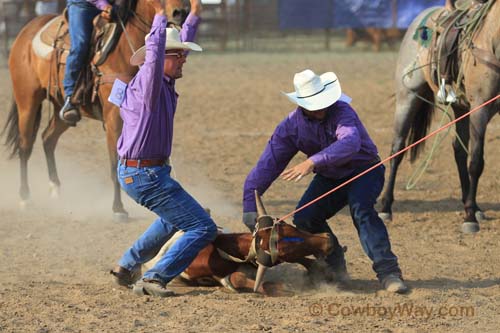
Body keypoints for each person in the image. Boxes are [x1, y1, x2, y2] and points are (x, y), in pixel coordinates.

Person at [242, 69, 408, 294]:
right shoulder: (290, 128)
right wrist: (250, 208)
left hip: (365, 170)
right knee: (305, 217)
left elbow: (350, 142)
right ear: (302, 104)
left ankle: (389, 272)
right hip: (330, 176)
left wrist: (312, 162)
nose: (320, 107)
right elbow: (267, 165)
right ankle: (334, 265)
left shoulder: (342, 111)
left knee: (362, 210)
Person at [110, 0, 217, 298]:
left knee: (176, 218)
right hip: (146, 173)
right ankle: (154, 276)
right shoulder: (149, 82)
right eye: (179, 55)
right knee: (202, 226)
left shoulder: (162, 81)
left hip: (144, 171)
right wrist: (159, 17)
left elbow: (166, 54)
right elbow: (156, 56)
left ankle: (127, 264)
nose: (184, 59)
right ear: (161, 58)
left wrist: (194, 17)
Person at [59, 0, 113, 125]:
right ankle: (70, 96)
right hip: (83, 5)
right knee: (80, 46)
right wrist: (104, 5)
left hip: (111, 5)